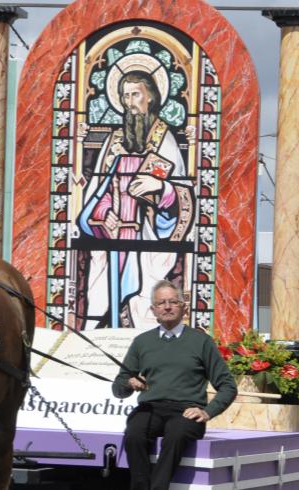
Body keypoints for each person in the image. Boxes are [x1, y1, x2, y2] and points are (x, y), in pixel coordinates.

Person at [76, 69, 195, 329]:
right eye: (125, 96)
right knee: (100, 295)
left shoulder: (165, 139)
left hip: (148, 240)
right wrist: (104, 212)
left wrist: (161, 188)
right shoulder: (114, 139)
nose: (130, 102)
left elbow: (184, 199)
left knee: (144, 302)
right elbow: (100, 188)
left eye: (136, 94)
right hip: (112, 238)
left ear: (150, 97)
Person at [113, 281, 236, 490]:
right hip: (150, 408)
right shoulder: (142, 342)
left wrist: (207, 412)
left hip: (185, 410)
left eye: (173, 302)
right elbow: (118, 387)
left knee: (176, 434)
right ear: (153, 310)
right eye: (161, 303)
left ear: (184, 307)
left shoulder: (201, 342)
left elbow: (228, 386)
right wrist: (129, 383)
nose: (167, 307)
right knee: (134, 433)